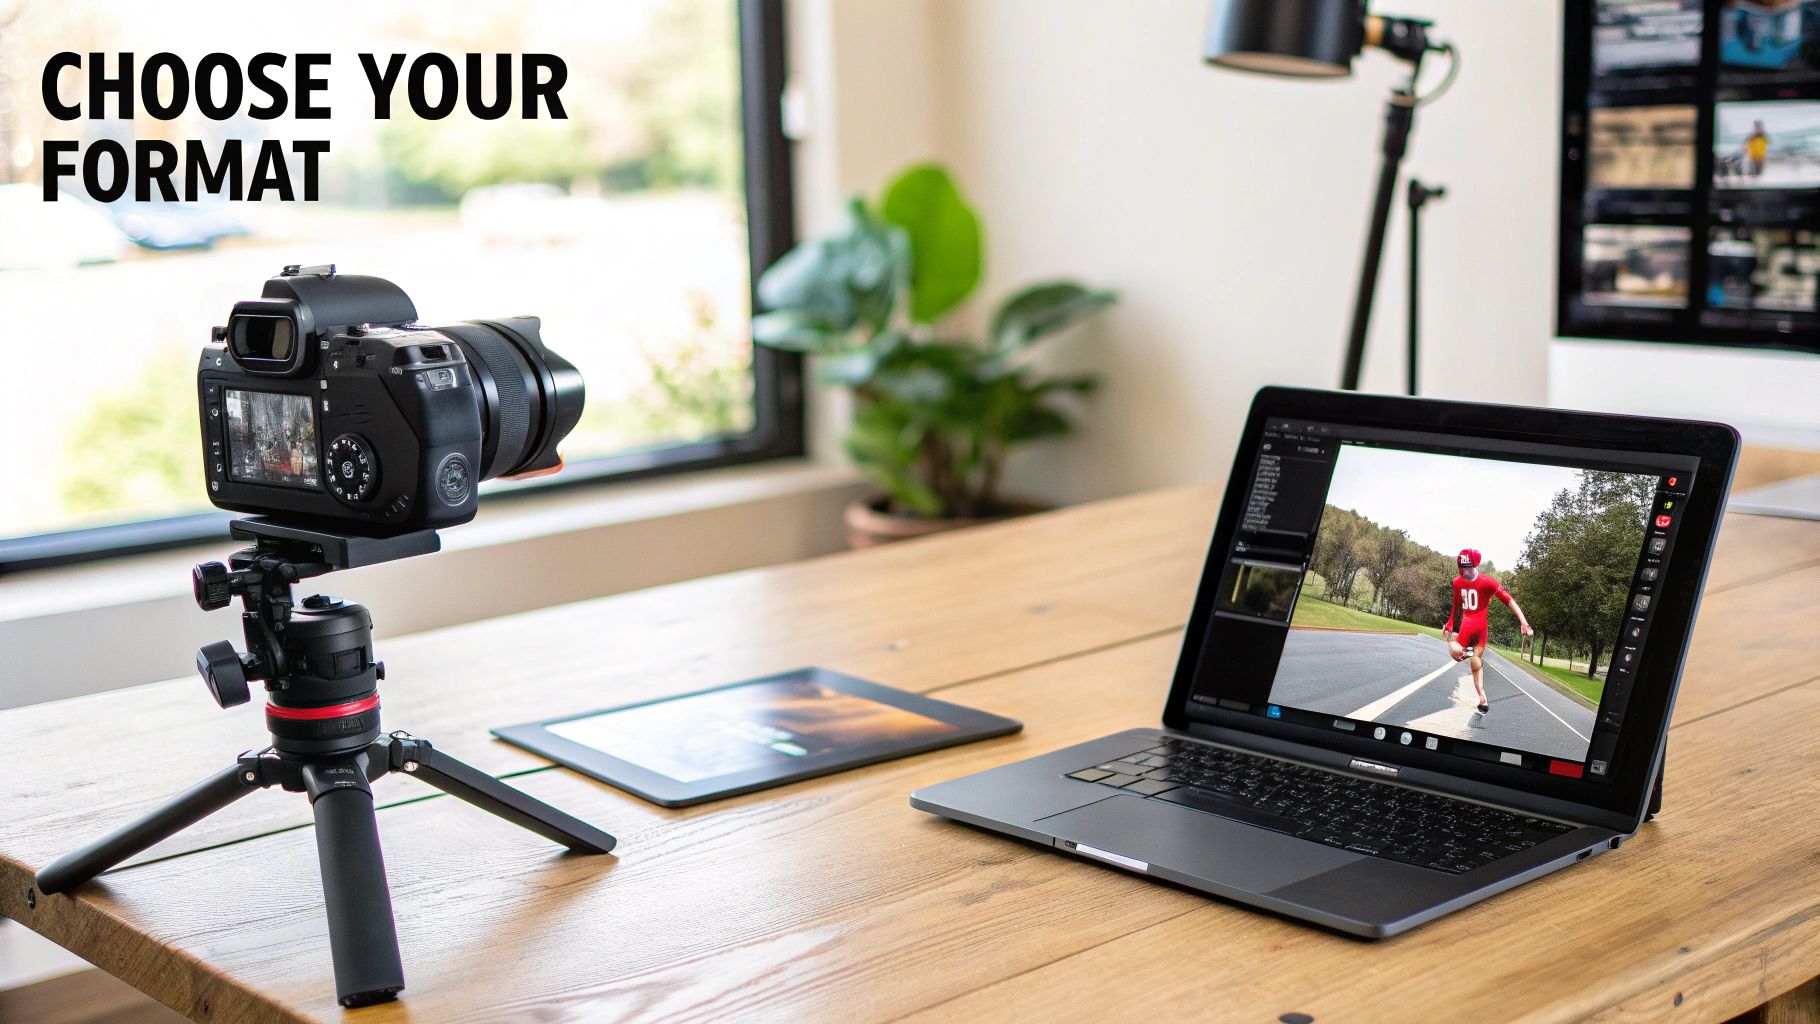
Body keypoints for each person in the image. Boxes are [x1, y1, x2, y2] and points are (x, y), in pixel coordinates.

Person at [1440, 549, 1533, 714]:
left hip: (1480, 631)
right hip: (1465, 628)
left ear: (1475, 565)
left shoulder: (1488, 582)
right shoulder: (1457, 582)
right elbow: (1456, 605)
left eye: (1468, 568)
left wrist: (1524, 622)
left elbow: (1509, 600)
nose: (1465, 572)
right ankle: (1469, 653)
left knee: (1475, 662)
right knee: (1456, 653)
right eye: (1462, 568)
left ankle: (1482, 697)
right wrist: (1450, 623)